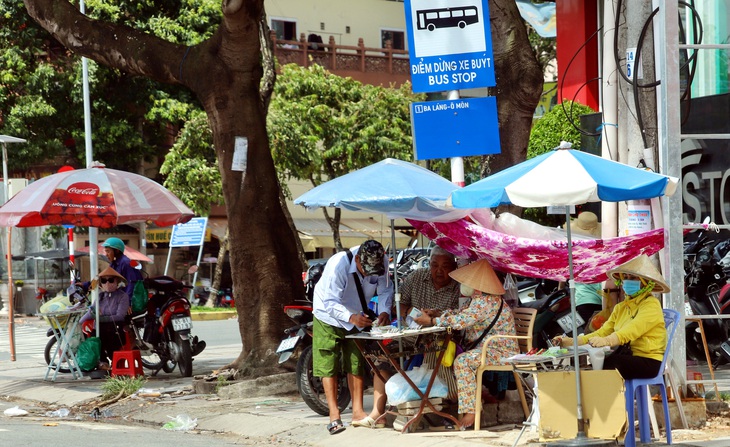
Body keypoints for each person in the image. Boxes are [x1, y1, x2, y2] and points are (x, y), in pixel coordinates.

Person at [355, 246, 461, 429]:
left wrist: (436, 316)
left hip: (438, 339)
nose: (439, 270)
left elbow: (459, 316)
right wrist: (409, 311)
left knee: (429, 358)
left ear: (453, 266)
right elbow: (399, 304)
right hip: (410, 334)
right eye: (434, 265)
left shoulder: (458, 287)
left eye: (445, 266)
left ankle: (419, 410)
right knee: (382, 356)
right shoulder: (417, 277)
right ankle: (377, 413)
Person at [414, 259, 518, 429]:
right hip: (488, 349)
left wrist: (432, 321)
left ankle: (472, 411)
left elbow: (461, 321)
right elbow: (460, 314)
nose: (463, 285)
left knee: (463, 362)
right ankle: (464, 403)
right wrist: (438, 313)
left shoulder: (486, 301)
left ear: (476, 285)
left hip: (501, 352)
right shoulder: (479, 299)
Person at [312, 240, 393, 435]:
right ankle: (334, 414)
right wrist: (350, 317)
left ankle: (357, 411)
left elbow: (386, 289)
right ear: (357, 259)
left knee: (356, 360)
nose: (367, 275)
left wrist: (384, 311)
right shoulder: (337, 264)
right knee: (328, 362)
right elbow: (330, 301)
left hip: (358, 315)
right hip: (328, 314)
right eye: (365, 270)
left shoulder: (380, 261)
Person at [554, 254, 668, 379]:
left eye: (633, 278)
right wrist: (574, 342)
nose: (628, 280)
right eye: (625, 277)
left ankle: (613, 398)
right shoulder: (621, 307)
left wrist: (607, 341)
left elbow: (631, 331)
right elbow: (603, 332)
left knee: (609, 364)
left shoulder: (651, 305)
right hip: (628, 355)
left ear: (645, 282)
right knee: (596, 365)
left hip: (649, 360)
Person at [79, 267, 131, 370]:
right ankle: (102, 362)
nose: (107, 283)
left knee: (105, 332)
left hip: (116, 329)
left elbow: (120, 316)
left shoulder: (123, 296)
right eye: (104, 280)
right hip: (100, 328)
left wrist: (102, 318)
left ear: (117, 282)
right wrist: (78, 323)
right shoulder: (100, 296)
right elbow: (91, 312)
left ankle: (112, 362)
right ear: (100, 284)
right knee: (93, 336)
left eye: (111, 280)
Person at [102, 237, 143, 302]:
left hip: (128, 300)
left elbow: (131, 283)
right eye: (105, 251)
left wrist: (127, 302)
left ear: (116, 251)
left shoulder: (125, 263)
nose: (106, 255)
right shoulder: (113, 264)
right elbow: (104, 277)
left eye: (108, 251)